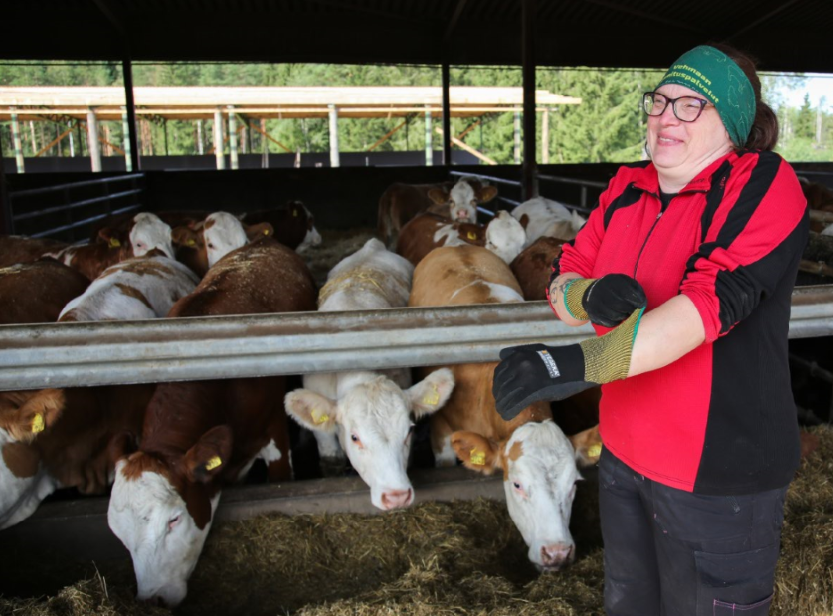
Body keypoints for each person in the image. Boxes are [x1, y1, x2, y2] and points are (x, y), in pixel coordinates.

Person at [492, 43, 808, 616]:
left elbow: (705, 309)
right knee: (630, 605)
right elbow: (562, 280)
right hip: (623, 457)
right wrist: (590, 295)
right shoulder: (625, 190)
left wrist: (574, 363)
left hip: (718, 475)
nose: (666, 116)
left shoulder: (762, 184)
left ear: (733, 123)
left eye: (691, 105)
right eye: (660, 100)